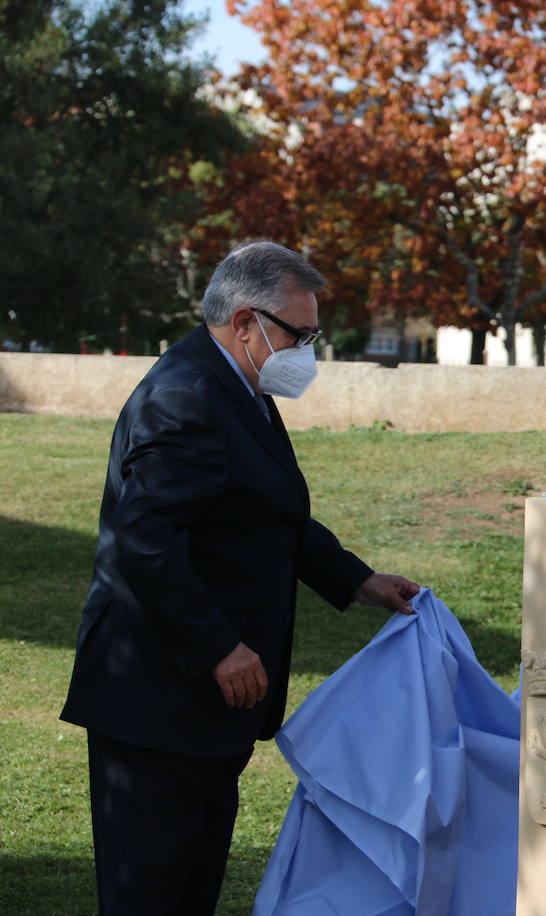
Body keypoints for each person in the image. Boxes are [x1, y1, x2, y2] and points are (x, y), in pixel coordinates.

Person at [60, 240, 421, 915]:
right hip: (159, 700)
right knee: (152, 892)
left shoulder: (238, 387)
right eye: (300, 333)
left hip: (202, 710)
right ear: (246, 322)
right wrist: (217, 647)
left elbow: (265, 514)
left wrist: (357, 580)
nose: (308, 350)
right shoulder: (188, 396)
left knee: (190, 884)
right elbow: (142, 543)